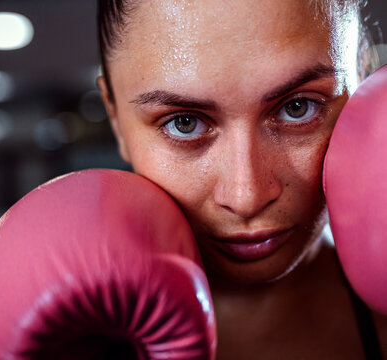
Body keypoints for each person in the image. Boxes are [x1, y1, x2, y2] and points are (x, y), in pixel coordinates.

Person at [96, 0, 387, 358]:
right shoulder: (82, 341)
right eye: (184, 122)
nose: (247, 196)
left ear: (363, 74)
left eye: (298, 107)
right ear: (114, 118)